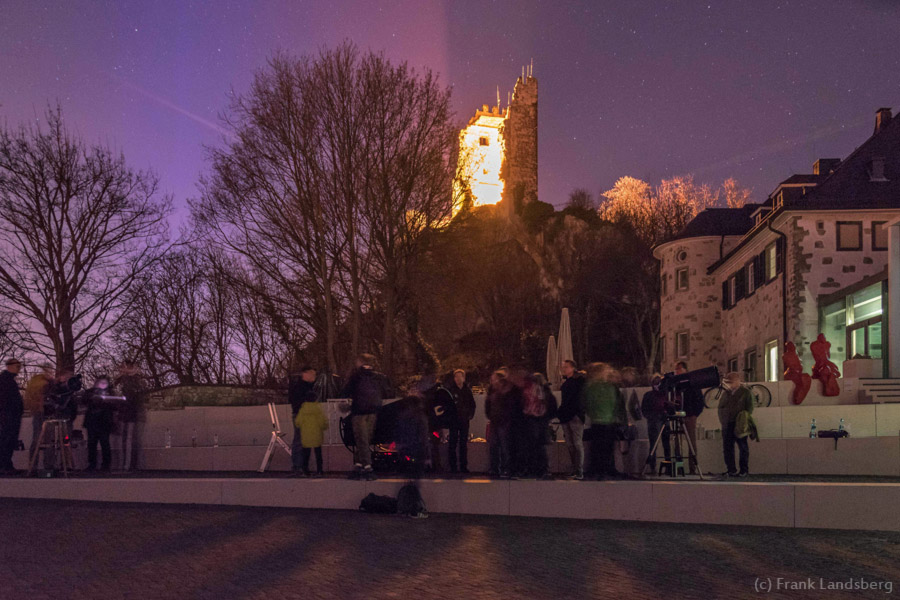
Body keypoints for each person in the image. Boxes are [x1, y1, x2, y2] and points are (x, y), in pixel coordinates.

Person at [341, 354, 392, 480]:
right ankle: (359, 464)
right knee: (366, 439)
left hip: (359, 412)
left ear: (360, 362)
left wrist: (347, 405)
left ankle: (367, 467)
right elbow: (386, 392)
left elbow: (346, 391)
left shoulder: (356, 376)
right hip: (373, 411)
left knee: (361, 439)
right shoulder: (378, 376)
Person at [582, 363, 626, 480]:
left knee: (600, 447)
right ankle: (604, 469)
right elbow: (617, 403)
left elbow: (587, 403)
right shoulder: (604, 387)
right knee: (605, 447)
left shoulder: (594, 387)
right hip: (606, 421)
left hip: (600, 421)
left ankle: (600, 470)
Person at [718, 371, 753, 477]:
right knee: (728, 447)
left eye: (731, 381)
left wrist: (743, 419)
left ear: (737, 381)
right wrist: (723, 420)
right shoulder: (726, 393)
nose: (730, 384)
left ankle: (743, 470)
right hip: (727, 423)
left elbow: (750, 408)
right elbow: (721, 407)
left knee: (742, 447)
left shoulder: (745, 392)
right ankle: (731, 469)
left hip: (739, 423)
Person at [557, 360, 586, 480]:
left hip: (573, 415)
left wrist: (577, 412)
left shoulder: (578, 381)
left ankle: (578, 470)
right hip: (567, 415)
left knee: (576, 443)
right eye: (563, 367)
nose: (563, 369)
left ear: (573, 368)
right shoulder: (569, 382)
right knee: (570, 443)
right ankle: (575, 468)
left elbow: (577, 398)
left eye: (566, 367)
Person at [674, 360, 704, 473]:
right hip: (678, 416)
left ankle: (692, 468)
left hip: (689, 415)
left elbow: (699, 400)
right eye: (676, 369)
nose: (677, 371)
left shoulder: (692, 383)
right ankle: (679, 467)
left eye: (679, 368)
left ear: (685, 370)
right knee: (678, 444)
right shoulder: (676, 385)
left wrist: (694, 414)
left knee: (691, 442)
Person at [116, 361, 146, 471]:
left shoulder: (132, 381)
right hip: (126, 411)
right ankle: (124, 464)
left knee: (127, 439)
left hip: (129, 411)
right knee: (124, 439)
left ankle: (126, 464)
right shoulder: (123, 380)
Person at [83, 375, 116, 472]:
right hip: (92, 421)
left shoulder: (110, 393)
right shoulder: (89, 392)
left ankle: (105, 465)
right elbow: (84, 401)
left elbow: (114, 406)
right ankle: (92, 464)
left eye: (105, 383)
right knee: (91, 444)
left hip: (104, 422)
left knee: (104, 443)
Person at [485, 370, 515, 477]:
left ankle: (505, 468)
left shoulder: (506, 390)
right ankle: (494, 468)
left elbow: (510, 405)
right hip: (494, 420)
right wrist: (490, 415)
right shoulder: (491, 389)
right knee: (493, 445)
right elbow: (488, 403)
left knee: (504, 446)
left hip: (504, 421)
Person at [24, 363, 54, 468]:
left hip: (48, 413)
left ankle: (48, 466)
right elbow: (31, 397)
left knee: (49, 440)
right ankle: (33, 466)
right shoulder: (38, 381)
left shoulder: (50, 383)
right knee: (37, 439)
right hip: (38, 412)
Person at [288, 367, 316, 474]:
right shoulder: (303, 387)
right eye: (312, 374)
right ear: (306, 374)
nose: (314, 377)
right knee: (300, 440)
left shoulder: (299, 386)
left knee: (300, 440)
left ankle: (299, 466)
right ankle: (298, 466)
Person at [447, 369, 475, 474]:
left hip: (464, 421)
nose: (458, 379)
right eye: (456, 377)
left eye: (460, 377)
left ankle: (463, 466)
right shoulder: (450, 391)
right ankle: (453, 466)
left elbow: (472, 404)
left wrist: (470, 415)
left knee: (463, 444)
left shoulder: (467, 390)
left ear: (463, 378)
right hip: (454, 421)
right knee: (452, 443)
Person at [641, 374, 671, 473]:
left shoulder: (667, 394)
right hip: (654, 421)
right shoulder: (648, 395)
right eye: (655, 382)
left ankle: (668, 467)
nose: (657, 384)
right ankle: (652, 467)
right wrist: (651, 417)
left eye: (659, 382)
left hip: (665, 420)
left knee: (666, 445)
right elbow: (644, 409)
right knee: (653, 445)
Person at [294, 391, 328, 477]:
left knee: (306, 454)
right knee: (318, 454)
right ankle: (319, 471)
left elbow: (297, 422)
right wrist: (324, 427)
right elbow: (323, 423)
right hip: (317, 435)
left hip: (306, 436)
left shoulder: (302, 410)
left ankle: (306, 471)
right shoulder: (318, 409)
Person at [0, 358, 24, 475]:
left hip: (11, 415)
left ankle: (6, 465)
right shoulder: (5, 380)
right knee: (6, 440)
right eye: (17, 366)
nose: (18, 369)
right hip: (8, 416)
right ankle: (4, 466)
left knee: (9, 440)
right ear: (9, 366)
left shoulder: (9, 380)